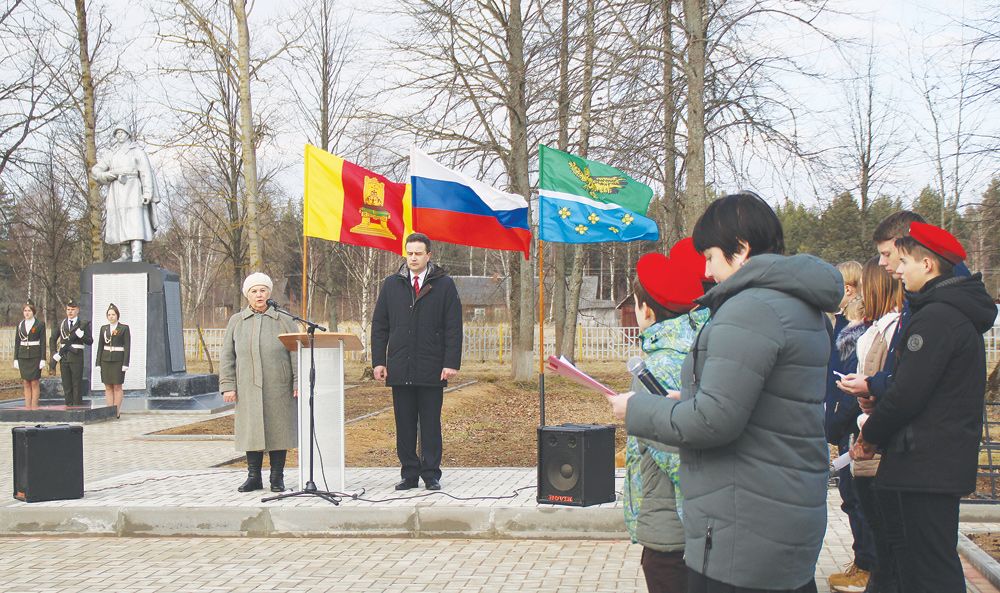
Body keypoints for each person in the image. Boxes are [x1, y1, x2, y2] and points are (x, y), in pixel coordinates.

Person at [605, 192, 842, 593]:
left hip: (744, 525)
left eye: (711, 256)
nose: (708, 271)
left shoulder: (751, 309)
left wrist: (639, 410)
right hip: (781, 506)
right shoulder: (799, 306)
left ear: (741, 249)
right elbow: (764, 402)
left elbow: (714, 421)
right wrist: (694, 397)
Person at [852, 222, 996, 593]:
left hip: (926, 465)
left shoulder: (937, 318)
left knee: (931, 571)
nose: (897, 271)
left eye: (904, 262)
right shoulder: (943, 314)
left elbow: (907, 394)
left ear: (928, 265)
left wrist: (869, 433)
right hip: (933, 463)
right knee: (923, 567)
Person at [623, 248, 708, 593]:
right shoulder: (702, 347)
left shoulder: (656, 367)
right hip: (699, 529)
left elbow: (672, 450)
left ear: (645, 310)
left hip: (670, 526)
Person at [371, 232, 463, 491]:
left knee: (431, 424)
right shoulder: (392, 284)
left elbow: (454, 327)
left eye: (418, 253)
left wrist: (451, 362)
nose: (413, 257)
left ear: (428, 256)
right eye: (409, 253)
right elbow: (380, 325)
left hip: (432, 367)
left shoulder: (444, 285)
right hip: (400, 366)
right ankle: (409, 473)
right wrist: (379, 361)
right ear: (405, 254)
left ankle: (431, 473)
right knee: (404, 424)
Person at [849, 256, 905, 593]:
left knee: (889, 553)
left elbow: (893, 391)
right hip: (874, 449)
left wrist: (867, 392)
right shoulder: (880, 330)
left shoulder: (888, 332)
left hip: (879, 451)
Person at [823, 261, 876, 593]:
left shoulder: (855, 330)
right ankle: (863, 559)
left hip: (850, 423)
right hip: (841, 422)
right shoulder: (843, 324)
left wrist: (837, 420)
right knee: (849, 496)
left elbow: (849, 379)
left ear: (849, 289)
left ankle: (868, 565)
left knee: (857, 496)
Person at [220, 273, 299, 493]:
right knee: (250, 430)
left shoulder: (284, 319)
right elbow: (227, 355)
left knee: (278, 430)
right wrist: (227, 385)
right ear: (247, 295)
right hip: (247, 386)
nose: (259, 295)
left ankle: (277, 478)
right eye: (254, 291)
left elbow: (296, 353)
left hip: (278, 385)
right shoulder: (237, 321)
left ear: (269, 293)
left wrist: (297, 381)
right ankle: (253, 477)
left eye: (263, 290)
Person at [92, 126, 159, 262]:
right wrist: (107, 175)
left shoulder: (136, 151)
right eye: (117, 133)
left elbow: (146, 172)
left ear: (128, 134)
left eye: (122, 132)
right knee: (119, 220)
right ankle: (125, 254)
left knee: (135, 220)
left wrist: (147, 192)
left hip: (133, 187)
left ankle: (136, 253)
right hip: (116, 189)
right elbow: (96, 170)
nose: (120, 135)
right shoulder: (112, 152)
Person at [50, 298, 93, 407]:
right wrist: (54, 352)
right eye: (68, 309)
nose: (70, 311)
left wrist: (82, 336)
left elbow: (90, 341)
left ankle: (77, 407)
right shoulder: (62, 324)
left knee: (76, 384)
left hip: (76, 358)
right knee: (66, 384)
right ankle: (68, 406)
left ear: (77, 310)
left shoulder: (82, 324)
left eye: (73, 309)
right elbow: (52, 338)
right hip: (64, 357)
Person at [95, 303, 131, 418]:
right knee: (108, 386)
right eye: (109, 315)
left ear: (117, 315)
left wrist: (125, 363)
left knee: (117, 386)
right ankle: (109, 410)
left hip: (118, 360)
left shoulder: (123, 328)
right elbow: (100, 346)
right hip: (105, 359)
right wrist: (98, 362)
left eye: (113, 314)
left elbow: (127, 346)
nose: (111, 317)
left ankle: (116, 410)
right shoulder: (104, 328)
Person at [13, 299, 46, 409]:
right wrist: (15, 358)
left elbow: (43, 342)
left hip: (35, 355)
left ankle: (35, 406)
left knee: (34, 382)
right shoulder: (20, 324)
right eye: (25, 311)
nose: (27, 313)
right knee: (26, 382)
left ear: (33, 312)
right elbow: (17, 342)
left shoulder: (39, 324)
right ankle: (27, 406)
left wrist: (43, 359)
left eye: (29, 311)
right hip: (23, 356)